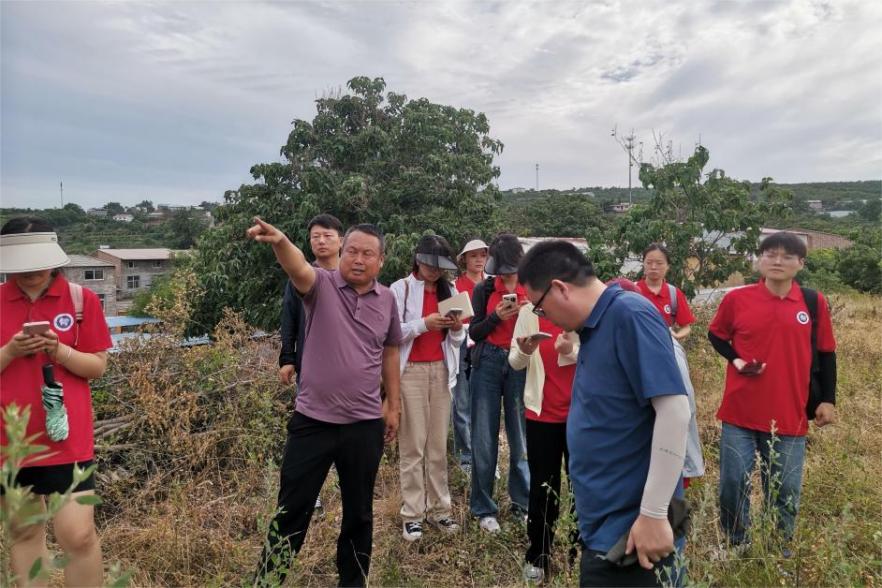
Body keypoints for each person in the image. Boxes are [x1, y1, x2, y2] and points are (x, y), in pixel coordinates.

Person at [518, 240, 690, 587]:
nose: (543, 317)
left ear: (559, 289)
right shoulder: (593, 326)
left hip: (634, 534)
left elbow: (674, 410)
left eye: (540, 307)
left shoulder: (629, 314)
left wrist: (655, 514)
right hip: (606, 528)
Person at [249, 218, 403, 587]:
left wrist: (393, 404)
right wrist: (281, 241)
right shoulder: (321, 286)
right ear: (341, 252)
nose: (358, 259)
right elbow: (297, 266)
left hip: (364, 424)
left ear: (380, 261)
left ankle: (353, 583)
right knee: (292, 511)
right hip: (313, 422)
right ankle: (268, 582)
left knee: (359, 515)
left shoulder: (387, 300)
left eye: (368, 253)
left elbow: (391, 350)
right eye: (352, 251)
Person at [708, 231, 836, 555]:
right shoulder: (737, 300)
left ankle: (780, 548)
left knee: (785, 490)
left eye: (787, 256)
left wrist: (828, 400)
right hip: (740, 412)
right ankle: (737, 543)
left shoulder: (812, 302)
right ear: (759, 261)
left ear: (801, 263)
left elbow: (826, 352)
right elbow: (716, 335)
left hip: (789, 412)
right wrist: (736, 360)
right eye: (770, 254)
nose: (778, 261)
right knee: (732, 484)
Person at [1, 217, 112, 587]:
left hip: (68, 438)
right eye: (22, 264)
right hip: (11, 440)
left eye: (38, 262)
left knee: (77, 535)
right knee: (24, 533)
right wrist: (10, 351)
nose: (31, 272)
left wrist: (59, 350)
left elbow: (96, 366)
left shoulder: (82, 300)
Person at [390, 235, 465, 541]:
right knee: (413, 446)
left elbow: (459, 342)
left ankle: (440, 510)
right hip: (411, 373)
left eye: (439, 266)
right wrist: (424, 323)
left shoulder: (452, 291)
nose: (433, 271)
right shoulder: (401, 288)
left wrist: (457, 329)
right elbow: (392, 333)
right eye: (428, 264)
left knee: (437, 446)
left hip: (442, 371)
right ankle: (412, 514)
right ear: (417, 260)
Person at [508, 300, 579, 584]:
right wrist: (525, 350)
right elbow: (514, 362)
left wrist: (570, 350)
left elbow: (599, 356)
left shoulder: (580, 308)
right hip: (542, 414)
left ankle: (579, 553)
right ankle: (538, 555)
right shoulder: (528, 312)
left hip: (581, 414)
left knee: (581, 484)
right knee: (542, 488)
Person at [278, 214, 343, 515]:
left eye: (327, 235)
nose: (320, 241)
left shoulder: (353, 274)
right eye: (315, 236)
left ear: (341, 240)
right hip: (311, 368)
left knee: (349, 429)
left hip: (348, 370)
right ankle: (312, 491)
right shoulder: (301, 276)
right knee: (311, 430)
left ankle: (348, 482)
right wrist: (288, 358)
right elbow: (289, 317)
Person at [467, 233, 530, 533]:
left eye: (511, 269)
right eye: (502, 270)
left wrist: (527, 311)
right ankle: (483, 508)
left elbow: (546, 322)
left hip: (521, 360)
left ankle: (523, 503)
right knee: (483, 436)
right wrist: (495, 317)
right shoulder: (483, 289)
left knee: (520, 437)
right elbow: (475, 332)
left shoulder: (531, 288)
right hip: (488, 362)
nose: (506, 276)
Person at [635, 245, 705, 488]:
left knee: (682, 402)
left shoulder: (674, 294)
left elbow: (686, 325)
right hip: (638, 354)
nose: (654, 268)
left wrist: (675, 336)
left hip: (667, 351)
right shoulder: (633, 292)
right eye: (649, 262)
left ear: (668, 266)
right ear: (643, 264)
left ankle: (685, 468)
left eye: (659, 263)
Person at [451, 239, 488, 473]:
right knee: (462, 402)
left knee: (483, 404)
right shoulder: (455, 285)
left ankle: (484, 455)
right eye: (473, 256)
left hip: (485, 346)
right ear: (464, 258)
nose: (478, 260)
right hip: (462, 346)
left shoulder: (493, 284)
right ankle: (466, 456)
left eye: (482, 255)